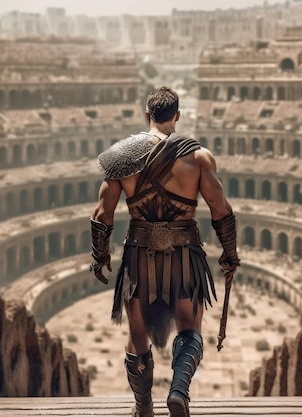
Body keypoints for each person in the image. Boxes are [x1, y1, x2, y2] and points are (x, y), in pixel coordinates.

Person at [89, 86, 240, 417]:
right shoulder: (199, 158)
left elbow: (103, 212)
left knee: (137, 333)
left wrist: (100, 255)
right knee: (189, 326)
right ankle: (178, 391)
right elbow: (220, 208)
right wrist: (230, 253)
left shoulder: (121, 159)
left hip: (138, 252)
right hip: (184, 252)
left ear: (147, 116)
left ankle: (143, 406)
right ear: (177, 116)